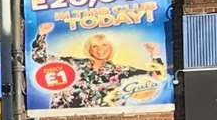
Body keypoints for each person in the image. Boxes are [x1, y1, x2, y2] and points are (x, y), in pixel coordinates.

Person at [30, 23, 165, 110]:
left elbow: (156, 77)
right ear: (89, 49)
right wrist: (42, 34)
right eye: (95, 46)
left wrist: (155, 54)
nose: (100, 50)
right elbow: (39, 57)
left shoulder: (121, 71)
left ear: (111, 48)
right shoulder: (72, 63)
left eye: (104, 45)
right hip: (65, 119)